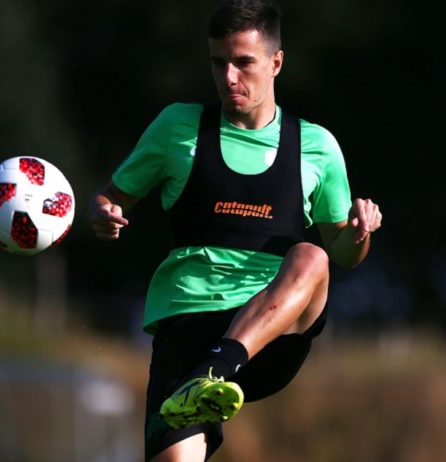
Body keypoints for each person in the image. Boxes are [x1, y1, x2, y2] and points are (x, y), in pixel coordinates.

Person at [89, 0, 382, 460]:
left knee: (313, 256)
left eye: (243, 62)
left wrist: (361, 232)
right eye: (218, 62)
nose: (229, 76)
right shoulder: (177, 126)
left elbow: (343, 254)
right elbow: (109, 198)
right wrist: (103, 214)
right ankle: (203, 379)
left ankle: (216, 369)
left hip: (269, 336)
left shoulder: (317, 145)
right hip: (188, 322)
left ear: (276, 63)